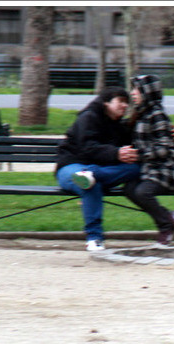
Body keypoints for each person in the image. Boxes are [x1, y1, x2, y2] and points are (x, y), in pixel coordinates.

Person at [55, 87, 140, 252]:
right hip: (71, 166)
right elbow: (88, 148)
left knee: (136, 169)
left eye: (127, 102)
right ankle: (94, 238)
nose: (124, 106)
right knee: (91, 185)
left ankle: (91, 175)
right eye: (120, 101)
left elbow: (137, 144)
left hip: (97, 171)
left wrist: (171, 134)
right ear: (106, 102)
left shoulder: (119, 125)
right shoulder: (88, 118)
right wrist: (116, 153)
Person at [128, 74, 174, 247]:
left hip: (166, 169)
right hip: (150, 169)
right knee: (130, 189)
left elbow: (164, 148)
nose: (132, 93)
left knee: (142, 192)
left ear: (147, 92)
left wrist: (139, 155)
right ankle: (170, 219)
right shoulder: (142, 114)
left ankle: (165, 227)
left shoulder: (157, 114)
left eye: (136, 89)